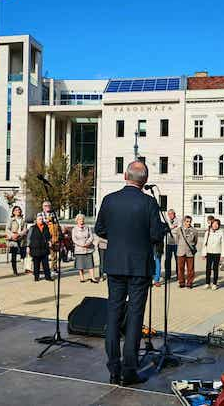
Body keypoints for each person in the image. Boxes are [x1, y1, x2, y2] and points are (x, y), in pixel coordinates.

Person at [94, 160, 165, 387]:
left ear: (125, 176)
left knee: (113, 315)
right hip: (139, 268)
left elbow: (100, 229)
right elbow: (156, 235)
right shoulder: (149, 202)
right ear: (144, 180)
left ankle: (114, 369)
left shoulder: (110, 200)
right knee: (135, 317)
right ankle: (129, 370)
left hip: (115, 265)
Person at [26, 214, 53, 282]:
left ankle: (48, 277)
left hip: (44, 248)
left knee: (46, 264)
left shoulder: (46, 227)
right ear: (36, 220)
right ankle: (36, 277)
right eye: (39, 219)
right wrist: (28, 247)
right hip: (35, 247)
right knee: (36, 264)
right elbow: (29, 238)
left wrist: (49, 242)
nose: (41, 220)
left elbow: (48, 236)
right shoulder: (32, 228)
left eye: (42, 219)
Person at [72, 214, 98, 283]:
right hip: (79, 249)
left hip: (88, 248)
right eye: (80, 219)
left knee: (90, 264)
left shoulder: (88, 227)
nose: (81, 221)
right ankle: (82, 278)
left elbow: (91, 237)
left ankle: (92, 278)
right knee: (80, 264)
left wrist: (87, 243)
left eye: (82, 219)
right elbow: (74, 239)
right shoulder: (74, 229)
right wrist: (81, 245)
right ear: (77, 220)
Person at [203, 218, 224, 290]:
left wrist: (223, 255)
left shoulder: (221, 232)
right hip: (209, 252)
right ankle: (207, 283)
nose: (215, 225)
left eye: (217, 224)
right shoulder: (208, 232)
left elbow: (223, 244)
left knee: (215, 269)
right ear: (211, 224)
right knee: (208, 268)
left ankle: (215, 283)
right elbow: (204, 243)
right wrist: (204, 253)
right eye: (214, 224)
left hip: (217, 253)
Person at [37, 201, 61, 272]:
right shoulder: (40, 214)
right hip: (43, 236)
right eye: (45, 205)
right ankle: (42, 268)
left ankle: (54, 268)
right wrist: (47, 221)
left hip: (53, 235)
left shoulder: (54, 214)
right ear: (43, 206)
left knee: (54, 253)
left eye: (48, 205)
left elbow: (57, 223)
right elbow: (38, 223)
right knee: (43, 253)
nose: (47, 207)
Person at [176, 215, 198, 288]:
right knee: (180, 268)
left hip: (190, 252)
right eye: (187, 221)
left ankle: (189, 282)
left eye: (190, 221)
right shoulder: (179, 230)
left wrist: (191, 246)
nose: (188, 223)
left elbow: (195, 241)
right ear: (184, 222)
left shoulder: (194, 230)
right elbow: (177, 240)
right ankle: (181, 282)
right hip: (181, 251)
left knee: (190, 269)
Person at [6, 205, 28, 275]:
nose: (18, 211)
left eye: (19, 210)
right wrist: (12, 235)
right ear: (13, 212)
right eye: (16, 210)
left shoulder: (23, 220)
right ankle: (15, 270)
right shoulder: (11, 220)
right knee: (14, 256)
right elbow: (7, 229)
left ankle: (26, 268)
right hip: (13, 239)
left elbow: (25, 229)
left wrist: (19, 234)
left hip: (21, 239)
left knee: (24, 255)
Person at [165, 209, 180, 281]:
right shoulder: (166, 221)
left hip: (176, 243)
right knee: (167, 260)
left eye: (171, 214)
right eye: (169, 214)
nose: (170, 215)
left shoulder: (178, 221)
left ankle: (178, 275)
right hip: (168, 243)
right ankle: (167, 275)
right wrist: (173, 227)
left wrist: (170, 229)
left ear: (174, 214)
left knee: (177, 259)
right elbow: (165, 229)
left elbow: (178, 230)